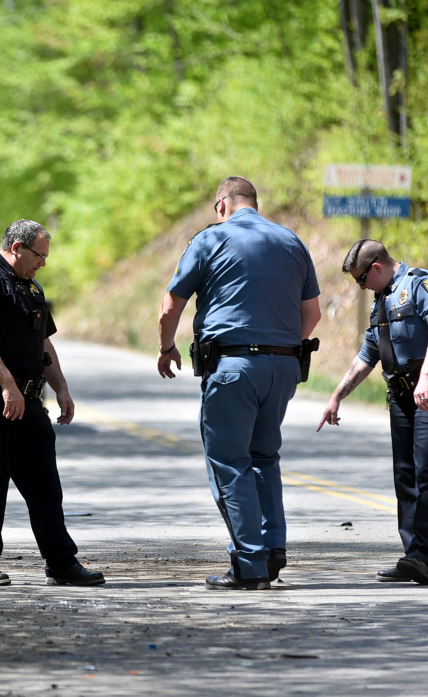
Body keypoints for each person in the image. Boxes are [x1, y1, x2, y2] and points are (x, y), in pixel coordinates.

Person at [157, 176, 322, 591]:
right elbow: (313, 315)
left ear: (221, 206)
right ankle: (273, 549)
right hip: (284, 367)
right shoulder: (291, 241)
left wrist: (166, 347)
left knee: (230, 462)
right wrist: (282, 349)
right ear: (255, 202)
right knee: (265, 456)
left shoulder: (210, 240)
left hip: (232, 368)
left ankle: (250, 565)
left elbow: (170, 306)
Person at [0, 219, 104, 587]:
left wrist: (62, 389)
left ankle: (62, 563)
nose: (44, 263)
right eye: (40, 255)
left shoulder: (30, 287)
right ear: (17, 247)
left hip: (28, 401)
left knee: (45, 485)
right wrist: (8, 385)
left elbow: (44, 344)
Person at [317, 239, 428, 585]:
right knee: (406, 477)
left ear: (376, 268)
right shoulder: (381, 304)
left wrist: (426, 378)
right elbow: (366, 356)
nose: (360, 287)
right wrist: (337, 396)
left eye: (361, 279)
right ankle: (413, 556)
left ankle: (423, 558)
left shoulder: (423, 285)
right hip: (403, 398)